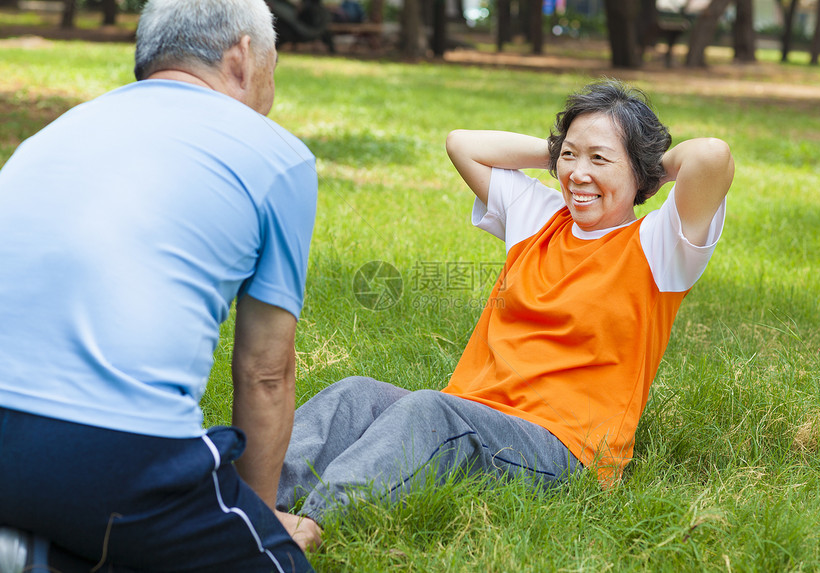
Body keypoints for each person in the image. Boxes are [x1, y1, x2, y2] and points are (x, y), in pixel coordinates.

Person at [276, 80, 734, 552]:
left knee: (431, 411)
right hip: (475, 412)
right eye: (570, 156)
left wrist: (644, 168)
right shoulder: (541, 217)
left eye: (599, 159)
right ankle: (242, 499)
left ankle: (309, 529)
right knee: (356, 396)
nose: (578, 174)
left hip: (563, 447)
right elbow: (463, 145)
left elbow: (712, 156)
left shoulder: (660, 248)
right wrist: (563, 152)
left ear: (639, 170)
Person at [0, 1, 317, 571]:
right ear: (243, 57)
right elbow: (266, 372)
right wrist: (259, 519)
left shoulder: (53, 135)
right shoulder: (277, 157)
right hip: (111, 455)